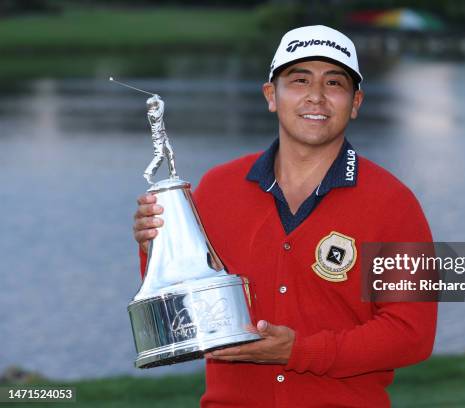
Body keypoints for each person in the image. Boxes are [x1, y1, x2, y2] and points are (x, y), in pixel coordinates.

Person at [133, 25, 437, 408]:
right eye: (298, 80)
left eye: (334, 83)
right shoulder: (216, 189)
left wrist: (300, 352)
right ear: (270, 96)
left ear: (355, 102)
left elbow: (411, 334)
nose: (316, 96)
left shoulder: (395, 203)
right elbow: (188, 310)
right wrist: (155, 246)